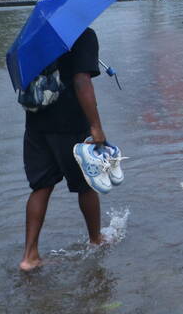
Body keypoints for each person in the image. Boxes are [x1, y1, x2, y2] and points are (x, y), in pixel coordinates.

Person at [19, 28, 108, 271]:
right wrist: (96, 126)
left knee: (41, 186)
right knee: (87, 186)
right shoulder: (83, 34)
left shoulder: (36, 33)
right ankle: (96, 241)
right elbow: (82, 81)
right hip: (70, 123)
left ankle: (30, 256)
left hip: (36, 121)